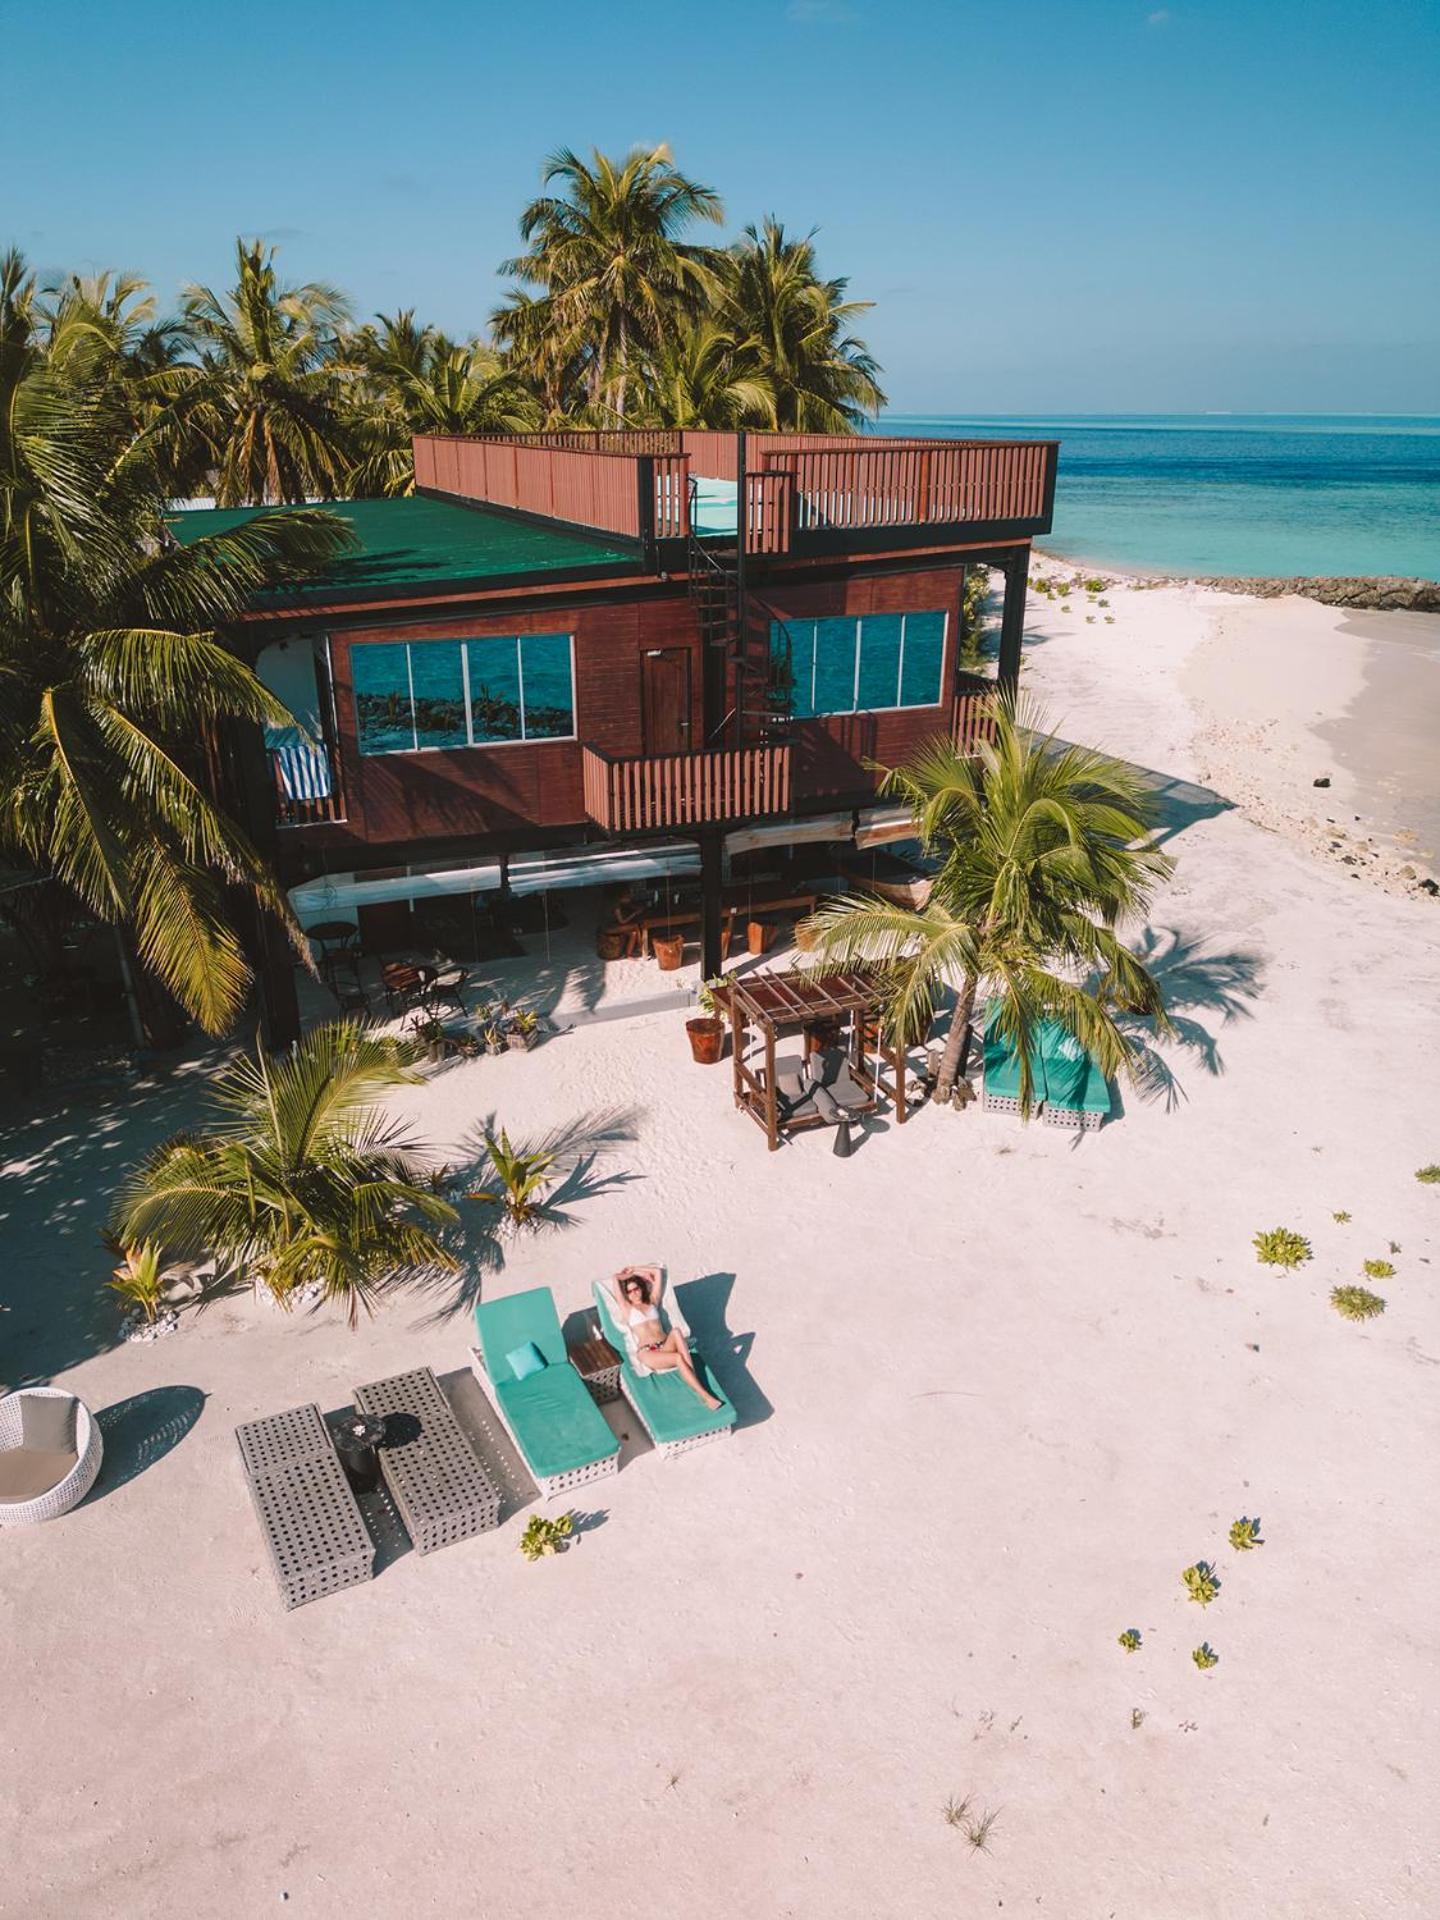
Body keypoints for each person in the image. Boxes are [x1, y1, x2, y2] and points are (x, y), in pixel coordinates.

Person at [604, 1265, 721, 1409]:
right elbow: (615, 1278)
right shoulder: (627, 1309)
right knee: (678, 1358)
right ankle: (705, 1395)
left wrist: (635, 1269)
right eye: (629, 1291)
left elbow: (658, 1272)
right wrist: (627, 1275)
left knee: (676, 1332)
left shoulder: (652, 1301)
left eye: (636, 1288)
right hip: (648, 1352)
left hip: (665, 1345)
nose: (634, 1293)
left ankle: (693, 1377)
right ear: (626, 1294)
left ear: (641, 1288)